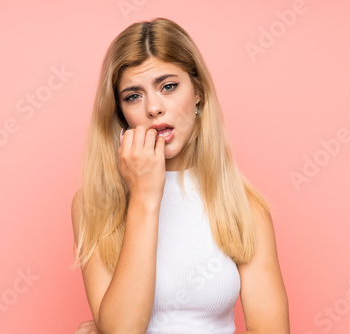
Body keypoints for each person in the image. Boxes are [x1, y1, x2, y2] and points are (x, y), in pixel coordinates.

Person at [71, 17, 290, 334]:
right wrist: (145, 197)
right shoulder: (93, 205)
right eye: (133, 95)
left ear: (198, 91)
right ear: (121, 113)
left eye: (168, 86)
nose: (154, 108)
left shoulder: (244, 206)